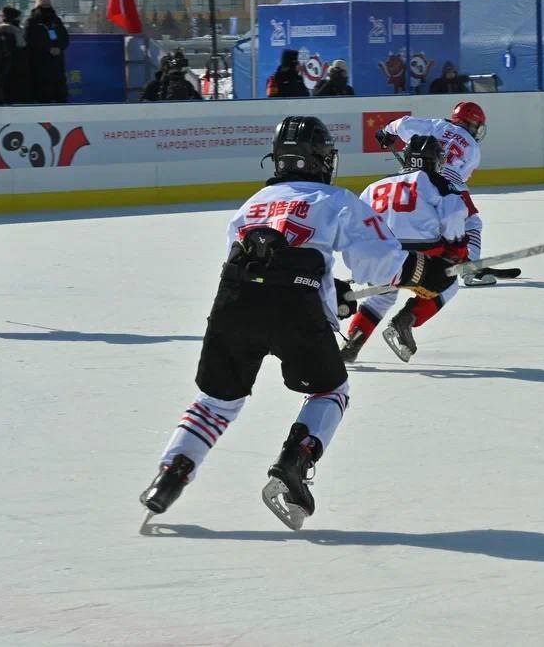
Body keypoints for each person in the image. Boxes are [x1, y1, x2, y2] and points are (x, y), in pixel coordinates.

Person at [138, 116, 455, 530]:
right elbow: (379, 264)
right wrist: (422, 272)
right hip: (295, 310)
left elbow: (263, 262)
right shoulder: (337, 200)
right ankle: (294, 461)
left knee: (216, 402)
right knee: (331, 390)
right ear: (322, 159)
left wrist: (332, 292)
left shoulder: (252, 204)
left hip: (233, 304)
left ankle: (169, 477)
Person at [342, 135, 470, 363]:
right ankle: (407, 318)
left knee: (381, 297)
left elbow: (355, 223)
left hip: (379, 257)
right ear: (434, 160)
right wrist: (457, 251)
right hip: (421, 258)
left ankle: (353, 341)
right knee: (450, 283)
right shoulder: (438, 182)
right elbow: (453, 214)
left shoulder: (374, 186)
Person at [375, 101, 495, 286]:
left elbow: (402, 123)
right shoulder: (473, 148)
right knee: (471, 222)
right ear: (472, 123)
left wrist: (386, 132)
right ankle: (468, 269)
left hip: (416, 178)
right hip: (449, 181)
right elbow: (459, 177)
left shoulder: (438, 125)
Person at [26, 0, 71, 103]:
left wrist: (59, 48)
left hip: (57, 65)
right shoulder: (32, 22)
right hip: (40, 65)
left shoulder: (56, 20)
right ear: (37, 5)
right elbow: (30, 41)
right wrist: (47, 49)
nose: (46, 5)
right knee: (43, 95)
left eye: (48, 3)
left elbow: (65, 38)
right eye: (43, 3)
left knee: (60, 95)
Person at [0, 6, 33, 104]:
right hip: (14, 64)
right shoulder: (9, 30)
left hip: (14, 65)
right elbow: (21, 45)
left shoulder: (14, 29)